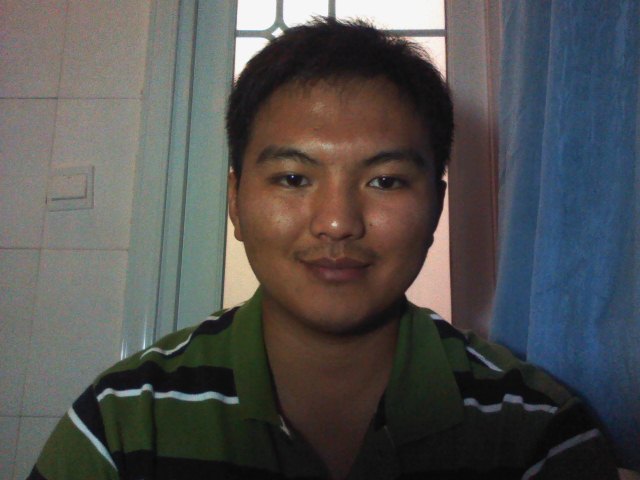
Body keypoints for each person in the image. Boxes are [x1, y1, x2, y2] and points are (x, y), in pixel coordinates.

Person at [29, 18, 618, 480]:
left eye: (385, 180)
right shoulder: (124, 422)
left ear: (435, 207)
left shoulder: (538, 432)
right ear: (235, 201)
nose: (337, 222)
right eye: (293, 178)